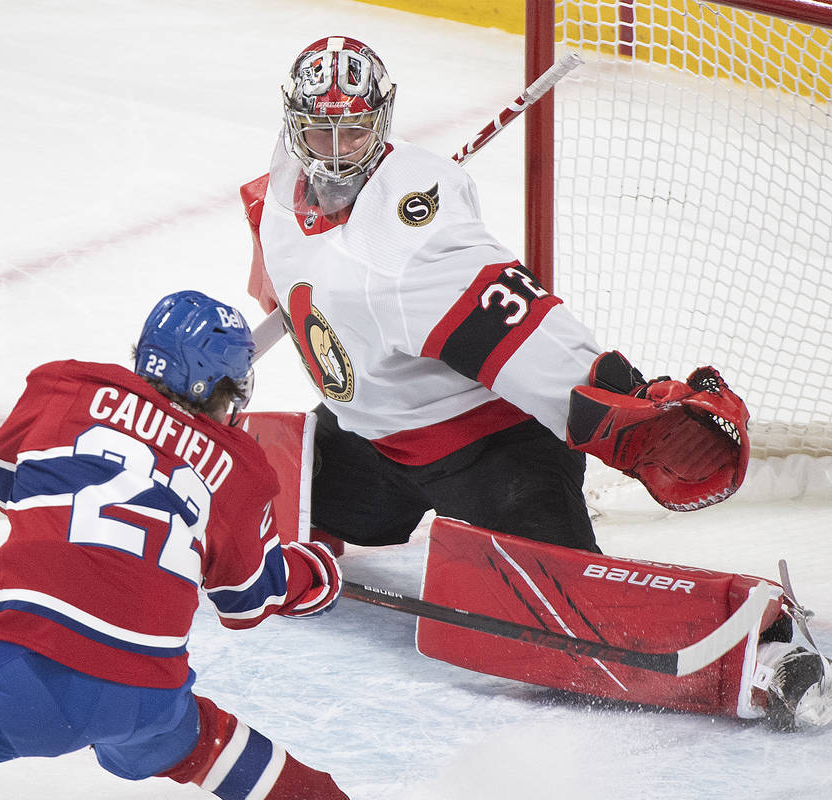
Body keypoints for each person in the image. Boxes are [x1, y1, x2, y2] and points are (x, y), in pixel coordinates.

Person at [240, 35, 751, 556]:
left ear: (381, 121)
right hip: (372, 437)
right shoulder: (285, 196)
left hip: (489, 446)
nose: (335, 153)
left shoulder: (414, 250)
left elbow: (524, 330)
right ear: (292, 125)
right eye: (318, 133)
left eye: (353, 132)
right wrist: (268, 248)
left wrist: (630, 411)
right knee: (260, 490)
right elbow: (271, 206)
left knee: (553, 597)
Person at [0, 291, 350, 799]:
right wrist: (313, 574)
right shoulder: (240, 467)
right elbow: (250, 598)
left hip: (25, 675)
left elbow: (7, 478)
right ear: (215, 387)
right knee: (201, 743)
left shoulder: (63, 386)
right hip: (149, 701)